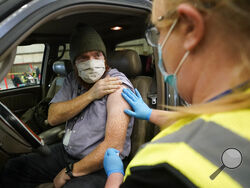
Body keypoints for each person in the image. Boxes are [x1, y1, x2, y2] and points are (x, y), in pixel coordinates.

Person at [103, 0, 250, 187]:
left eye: (158, 32)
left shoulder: (165, 168)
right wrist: (151, 113)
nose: (159, 45)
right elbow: (215, 123)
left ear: (190, 28)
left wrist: (114, 176)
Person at [0, 25, 134, 188]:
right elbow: (53, 116)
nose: (92, 62)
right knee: (15, 167)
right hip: (67, 153)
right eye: (84, 57)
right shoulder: (73, 80)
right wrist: (91, 94)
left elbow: (114, 146)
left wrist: (69, 172)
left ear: (104, 58)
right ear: (74, 63)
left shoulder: (117, 84)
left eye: (97, 55)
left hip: (103, 163)